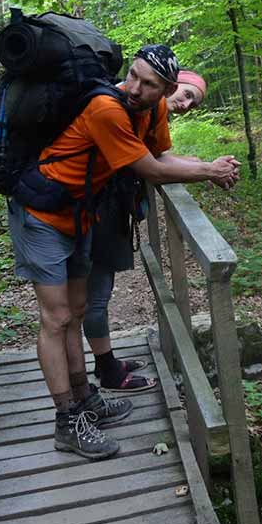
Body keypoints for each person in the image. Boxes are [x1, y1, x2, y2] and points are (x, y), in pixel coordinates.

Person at [8, 45, 239, 460]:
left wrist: (207, 164)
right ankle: (67, 421)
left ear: (166, 89)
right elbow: (147, 170)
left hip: (78, 213)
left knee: (75, 312)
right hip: (41, 213)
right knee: (56, 317)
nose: (134, 87)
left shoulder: (154, 112)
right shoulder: (106, 108)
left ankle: (85, 399)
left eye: (148, 84)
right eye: (132, 75)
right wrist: (208, 172)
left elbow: (161, 155)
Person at [84, 67, 210, 392]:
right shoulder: (118, 107)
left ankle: (105, 363)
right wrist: (207, 170)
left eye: (193, 104)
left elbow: (154, 155)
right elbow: (153, 168)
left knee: (98, 293)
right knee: (93, 297)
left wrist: (198, 165)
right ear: (169, 86)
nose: (185, 104)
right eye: (185, 95)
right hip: (89, 208)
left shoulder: (146, 112)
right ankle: (103, 375)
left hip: (102, 205)